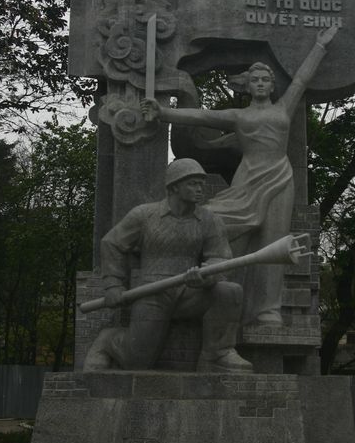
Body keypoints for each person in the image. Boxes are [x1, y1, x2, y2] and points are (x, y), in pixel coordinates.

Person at [141, 26, 338, 327]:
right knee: (215, 221)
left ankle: (267, 310)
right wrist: (164, 113)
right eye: (254, 80)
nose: (260, 83)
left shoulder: (284, 107)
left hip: (280, 179)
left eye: (265, 80)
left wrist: (320, 46)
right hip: (247, 181)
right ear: (246, 86)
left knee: (274, 241)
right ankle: (210, 287)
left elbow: (301, 79)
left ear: (272, 86)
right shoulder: (238, 116)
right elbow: (201, 116)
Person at [83, 158, 252, 373]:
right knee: (137, 361)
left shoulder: (210, 220)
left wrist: (207, 274)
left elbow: (221, 257)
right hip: (152, 292)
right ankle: (108, 341)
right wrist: (113, 284)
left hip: (192, 290)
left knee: (230, 292)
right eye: (193, 183)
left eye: (201, 183)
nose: (200, 189)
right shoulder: (145, 215)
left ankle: (217, 354)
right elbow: (112, 244)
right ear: (174, 187)